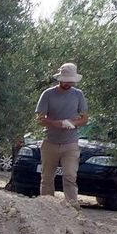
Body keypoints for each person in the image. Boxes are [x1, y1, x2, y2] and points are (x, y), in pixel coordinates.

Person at [36, 62, 89, 204]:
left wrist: (72, 123)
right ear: (60, 78)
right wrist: (55, 124)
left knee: (70, 175)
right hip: (50, 141)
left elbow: (84, 118)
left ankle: (72, 206)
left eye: (70, 80)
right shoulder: (48, 94)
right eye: (65, 80)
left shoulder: (78, 95)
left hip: (70, 142)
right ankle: (47, 205)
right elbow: (40, 119)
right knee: (47, 177)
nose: (67, 83)